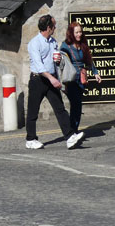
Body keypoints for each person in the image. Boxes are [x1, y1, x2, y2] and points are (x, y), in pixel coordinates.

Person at [25, 14, 85, 150]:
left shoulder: (53, 41)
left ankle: (69, 137)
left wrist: (57, 61)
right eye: (54, 25)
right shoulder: (35, 43)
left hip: (51, 78)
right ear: (48, 27)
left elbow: (55, 61)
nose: (55, 27)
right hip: (38, 79)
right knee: (33, 111)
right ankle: (30, 139)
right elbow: (39, 66)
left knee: (60, 108)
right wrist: (52, 79)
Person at [61, 21, 102, 133]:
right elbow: (61, 62)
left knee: (77, 105)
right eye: (76, 32)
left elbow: (88, 60)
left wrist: (95, 73)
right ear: (71, 33)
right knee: (75, 104)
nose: (79, 34)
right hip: (71, 79)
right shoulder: (65, 45)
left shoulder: (83, 44)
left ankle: (74, 129)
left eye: (80, 32)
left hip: (81, 78)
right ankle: (72, 131)